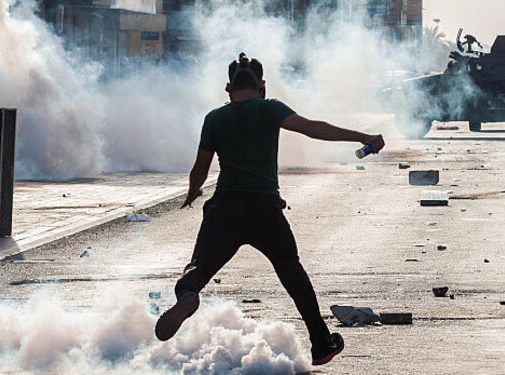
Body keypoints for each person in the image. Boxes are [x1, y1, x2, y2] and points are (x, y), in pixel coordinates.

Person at [155, 53, 385, 367]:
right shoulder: (270, 109)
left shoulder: (214, 118)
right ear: (262, 86)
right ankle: (320, 343)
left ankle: (188, 298)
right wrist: (363, 137)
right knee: (292, 272)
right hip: (264, 209)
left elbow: (200, 169)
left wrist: (193, 193)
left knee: (196, 272)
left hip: (224, 208)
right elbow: (312, 128)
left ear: (228, 88)